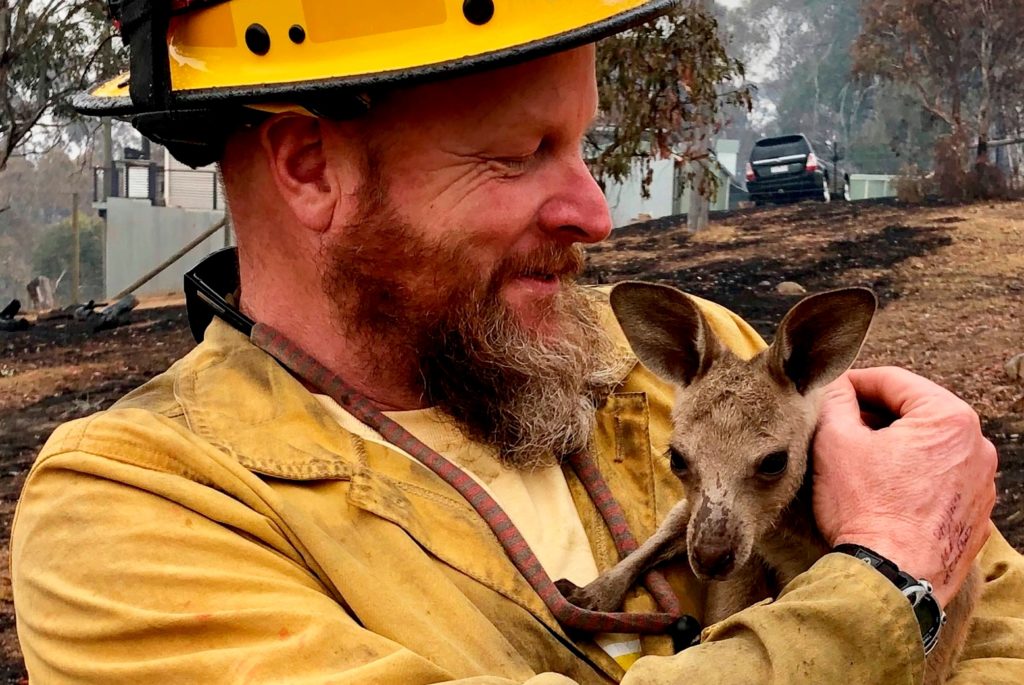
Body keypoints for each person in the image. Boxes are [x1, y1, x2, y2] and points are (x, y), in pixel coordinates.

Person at [11, 1, 1024, 683]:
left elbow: (1003, 630)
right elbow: (921, 578)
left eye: (581, 145)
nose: (594, 210)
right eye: (519, 154)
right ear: (310, 165)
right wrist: (884, 583)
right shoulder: (134, 516)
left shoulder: (701, 364)